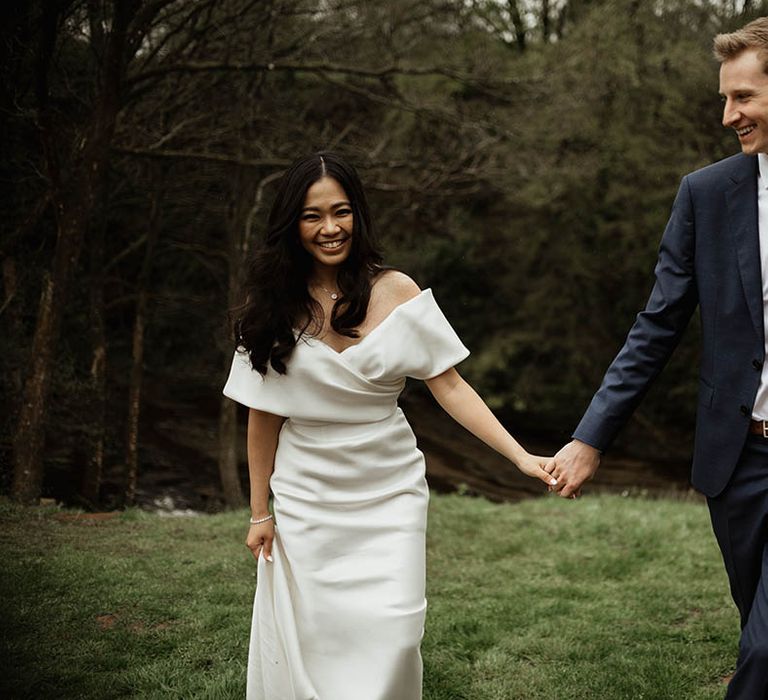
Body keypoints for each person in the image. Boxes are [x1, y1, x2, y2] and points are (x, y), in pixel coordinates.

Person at [223, 151, 556, 700]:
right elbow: (263, 416)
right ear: (291, 223)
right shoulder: (272, 307)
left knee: (397, 633)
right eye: (312, 216)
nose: (330, 228)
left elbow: (449, 386)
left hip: (389, 488)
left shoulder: (396, 290)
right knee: (317, 637)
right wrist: (261, 512)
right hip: (309, 495)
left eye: (342, 211)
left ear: (359, 215)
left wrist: (520, 456)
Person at [547, 17, 768, 699]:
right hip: (742, 463)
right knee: (754, 629)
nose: (727, 114)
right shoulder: (707, 196)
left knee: (763, 651)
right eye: (725, 98)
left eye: (743, 97)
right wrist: (591, 437)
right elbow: (657, 326)